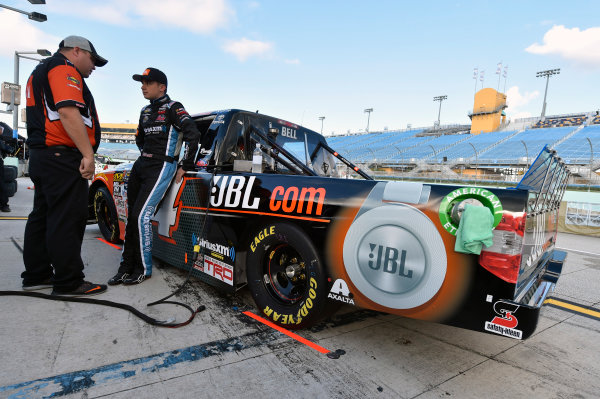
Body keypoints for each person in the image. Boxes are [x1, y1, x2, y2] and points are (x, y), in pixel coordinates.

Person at [21, 35, 108, 296]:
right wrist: (88, 155)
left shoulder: (41, 70)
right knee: (67, 219)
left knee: (43, 216)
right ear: (77, 51)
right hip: (60, 157)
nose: (94, 66)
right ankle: (68, 281)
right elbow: (68, 112)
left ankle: (37, 274)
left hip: (43, 156)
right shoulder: (63, 69)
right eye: (93, 60)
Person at [108, 68, 200, 285]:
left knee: (141, 217)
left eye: (147, 83)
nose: (143, 86)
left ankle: (143, 269)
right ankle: (125, 267)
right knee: (131, 217)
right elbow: (139, 139)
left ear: (162, 86)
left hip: (162, 165)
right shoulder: (144, 111)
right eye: (142, 83)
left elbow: (193, 135)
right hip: (142, 165)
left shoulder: (173, 107)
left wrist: (184, 164)